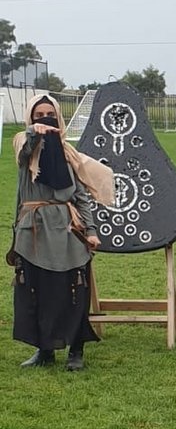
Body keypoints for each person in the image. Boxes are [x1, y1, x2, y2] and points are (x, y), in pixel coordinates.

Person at [11, 93, 114, 370]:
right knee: (39, 292)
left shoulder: (69, 154)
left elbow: (80, 197)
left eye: (50, 115)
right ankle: (45, 350)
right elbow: (24, 151)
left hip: (68, 230)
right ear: (30, 117)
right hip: (34, 231)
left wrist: (90, 230)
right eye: (39, 115)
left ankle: (76, 351)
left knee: (74, 291)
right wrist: (34, 132)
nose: (46, 119)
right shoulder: (23, 144)